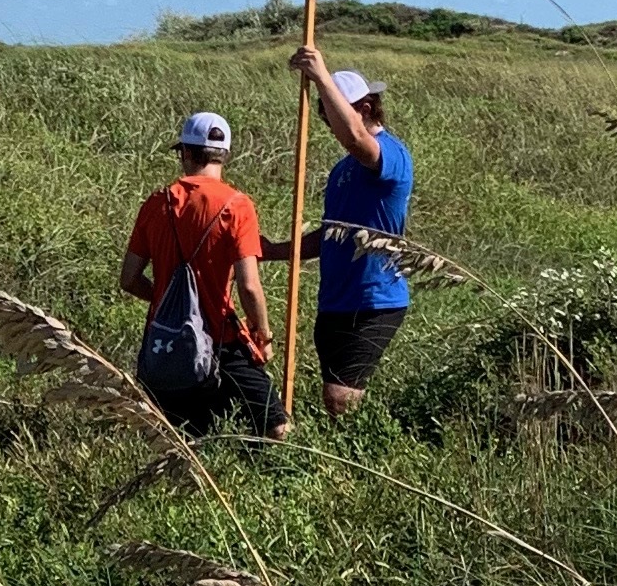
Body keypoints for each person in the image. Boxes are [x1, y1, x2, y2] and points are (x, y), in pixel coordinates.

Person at [120, 112, 277, 438]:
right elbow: (248, 286)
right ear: (225, 156)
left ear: (186, 153)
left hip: (167, 344)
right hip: (224, 341)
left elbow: (129, 279)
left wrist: (168, 301)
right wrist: (263, 334)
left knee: (177, 441)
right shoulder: (238, 206)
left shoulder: (156, 204)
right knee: (275, 427)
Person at [293, 49, 413, 417]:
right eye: (325, 115)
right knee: (336, 403)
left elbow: (357, 140)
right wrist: (273, 250)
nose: (328, 123)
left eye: (332, 111)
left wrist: (321, 76)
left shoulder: (389, 155)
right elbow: (331, 234)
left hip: (375, 299)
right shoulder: (341, 170)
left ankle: (358, 463)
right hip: (336, 300)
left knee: (341, 397)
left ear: (363, 108)